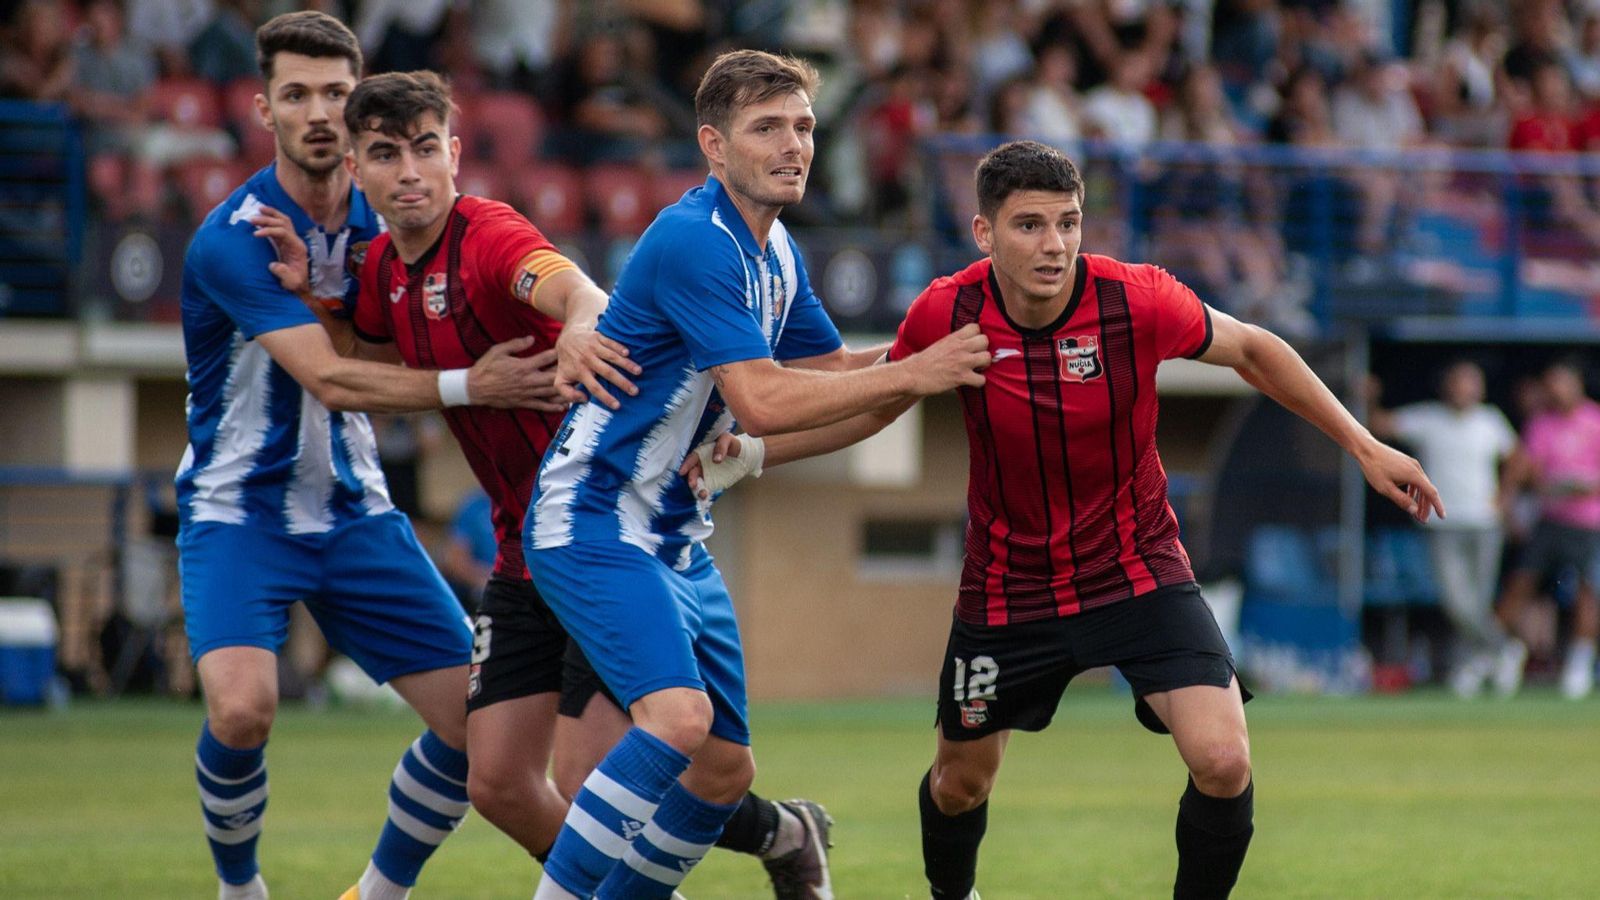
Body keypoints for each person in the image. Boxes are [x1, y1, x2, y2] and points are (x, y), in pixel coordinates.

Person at [684, 140, 1443, 899]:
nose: (1054, 245)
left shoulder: (1135, 299)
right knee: (958, 786)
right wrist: (752, 456)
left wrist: (1365, 445)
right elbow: (879, 405)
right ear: (985, 234)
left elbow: (1254, 349)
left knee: (1223, 760)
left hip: (1137, 568)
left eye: (1069, 223)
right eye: (1030, 226)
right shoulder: (949, 310)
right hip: (1008, 589)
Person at [265, 67, 843, 898]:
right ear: (355, 172)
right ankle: (778, 833)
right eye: (386, 155)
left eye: (426, 148)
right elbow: (358, 362)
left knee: (603, 771)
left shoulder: (489, 235)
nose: (411, 172)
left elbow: (573, 285)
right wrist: (314, 303)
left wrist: (578, 325)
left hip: (602, 529)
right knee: (498, 780)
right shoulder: (386, 274)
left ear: (456, 156)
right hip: (521, 544)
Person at [525, 49, 992, 900]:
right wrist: (913, 375)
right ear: (713, 145)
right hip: (592, 514)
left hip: (672, 530)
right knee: (678, 722)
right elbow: (767, 401)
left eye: (805, 127)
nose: (795, 145)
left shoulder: (776, 254)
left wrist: (945, 350)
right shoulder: (693, 241)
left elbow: (831, 375)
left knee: (723, 772)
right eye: (767, 128)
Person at [176, 14, 558, 900]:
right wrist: (478, 385)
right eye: (297, 93)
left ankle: (374, 895)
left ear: (358, 119)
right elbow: (335, 379)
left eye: (336, 94)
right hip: (240, 513)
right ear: (262, 106)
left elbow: (454, 293)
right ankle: (242, 890)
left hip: (356, 512)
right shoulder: (234, 236)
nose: (317, 111)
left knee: (476, 728)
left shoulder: (391, 220)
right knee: (242, 709)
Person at [1368, 361, 1519, 697]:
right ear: (1447, 387)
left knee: (1477, 601)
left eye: (1471, 383)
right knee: (1456, 600)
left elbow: (1517, 458)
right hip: (1442, 522)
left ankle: (1474, 664)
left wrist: (1505, 497)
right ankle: (1503, 648)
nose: (1465, 389)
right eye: (1459, 382)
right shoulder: (1429, 418)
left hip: (1484, 522)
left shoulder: (1490, 421)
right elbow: (1380, 426)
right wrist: (1370, 398)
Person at [1490, 358, 1600, 700]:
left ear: (1577, 384)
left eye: (1562, 382)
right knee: (1520, 585)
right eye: (1550, 383)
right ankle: (1508, 655)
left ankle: (1579, 664)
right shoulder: (1541, 424)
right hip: (1549, 518)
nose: (1556, 390)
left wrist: (1588, 485)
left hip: (1589, 521)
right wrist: (1516, 495)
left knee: (1587, 593)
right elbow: (1529, 468)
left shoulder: (1594, 420)